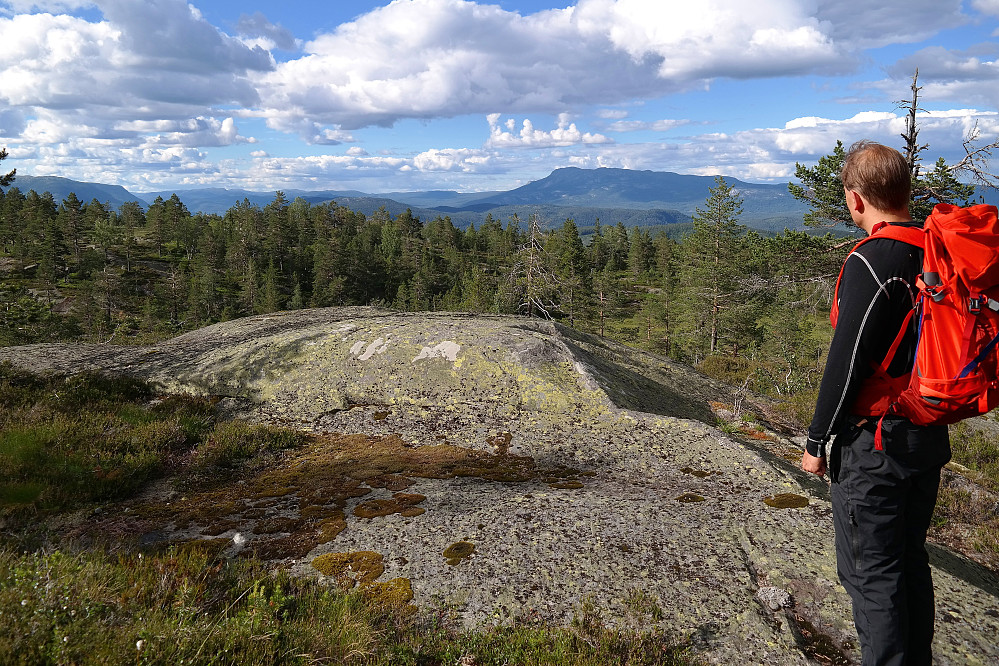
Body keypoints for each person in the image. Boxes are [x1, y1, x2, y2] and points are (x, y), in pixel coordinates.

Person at [800, 140, 950, 666]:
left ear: (856, 199)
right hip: (926, 434)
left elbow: (846, 363)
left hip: (876, 444)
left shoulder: (873, 260)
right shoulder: (935, 252)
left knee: (871, 574)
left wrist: (817, 440)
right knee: (909, 561)